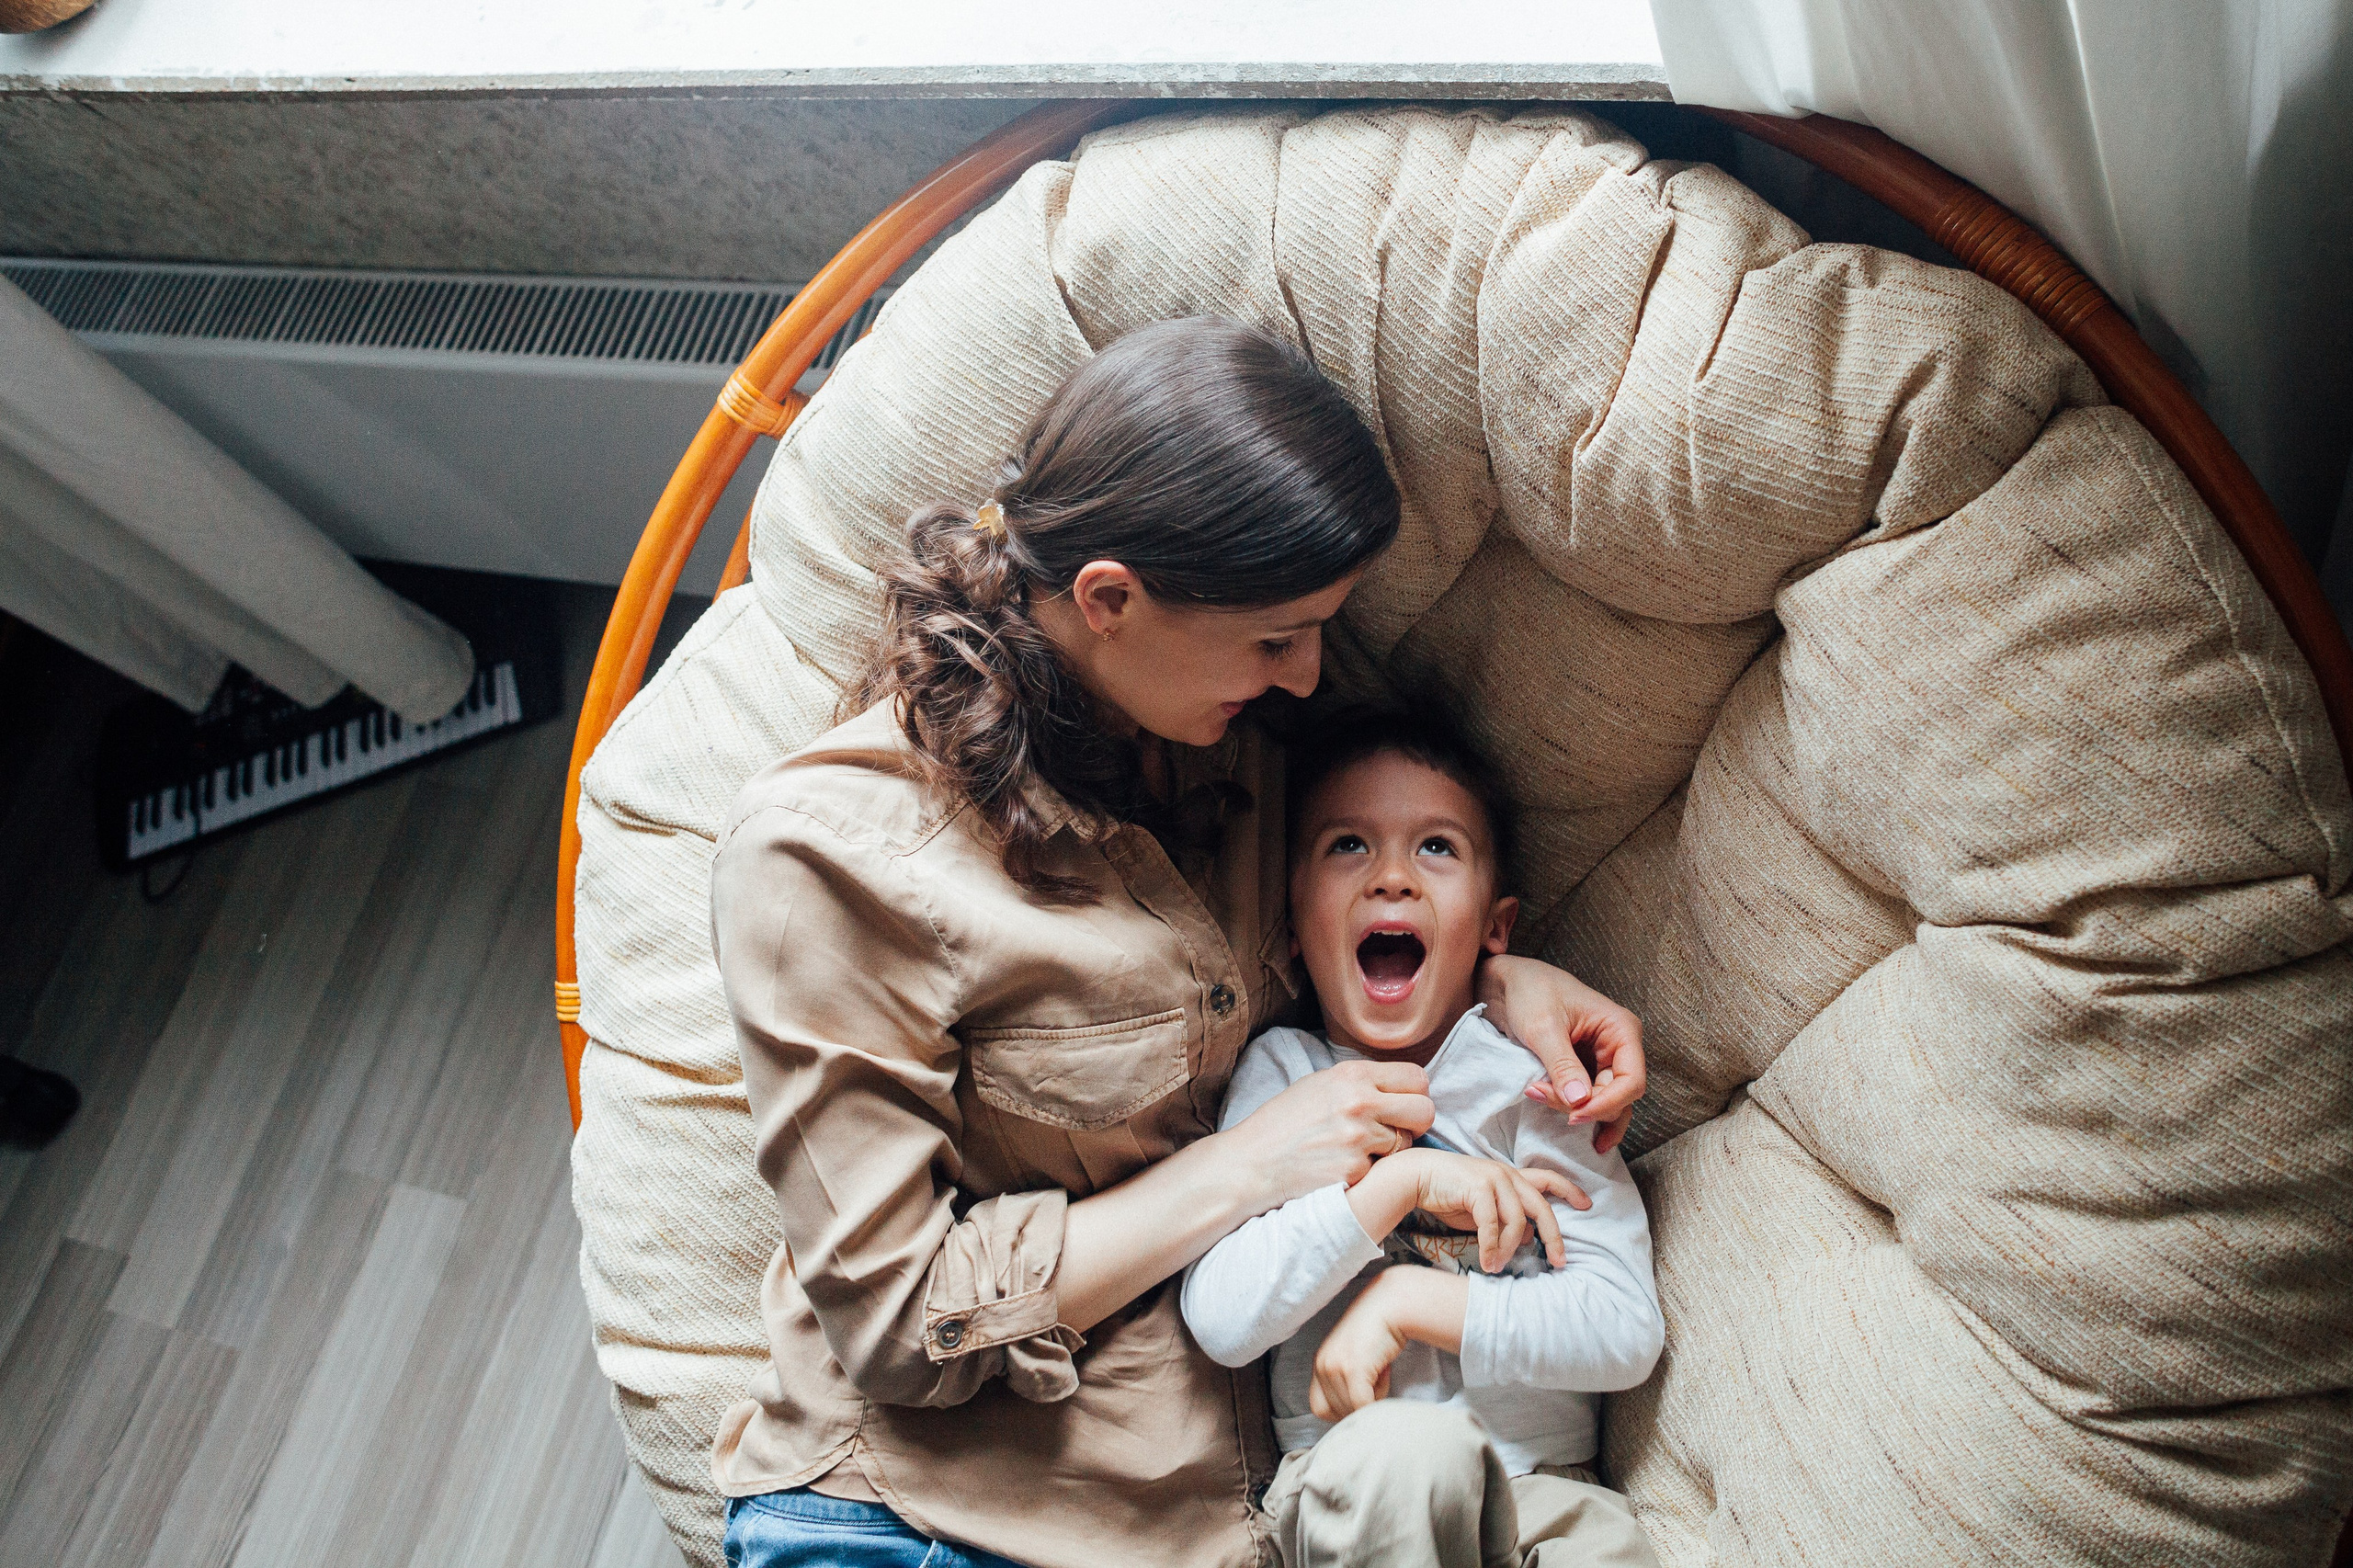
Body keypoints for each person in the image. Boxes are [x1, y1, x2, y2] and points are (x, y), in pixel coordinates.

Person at [710, 316, 1650, 1568]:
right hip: (921, 1520)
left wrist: (1508, 977)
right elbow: (897, 1320)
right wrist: (1252, 1165)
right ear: (1110, 599)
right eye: (1276, 637)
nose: (1311, 676)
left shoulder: (1248, 762)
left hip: (1234, 1517)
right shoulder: (827, 855)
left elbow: (1392, 888)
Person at [1183, 712, 1663, 1568]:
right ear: (1293, 929)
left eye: (1436, 848)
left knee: (1613, 1550)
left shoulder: (1536, 1077)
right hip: (1353, 1481)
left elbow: (1623, 1329)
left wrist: (1408, 1307)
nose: (1394, 878)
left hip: (1544, 1494)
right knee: (1414, 1456)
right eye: (1348, 847)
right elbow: (1221, 1318)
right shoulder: (1286, 1075)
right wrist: (1389, 1192)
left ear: (1495, 928)